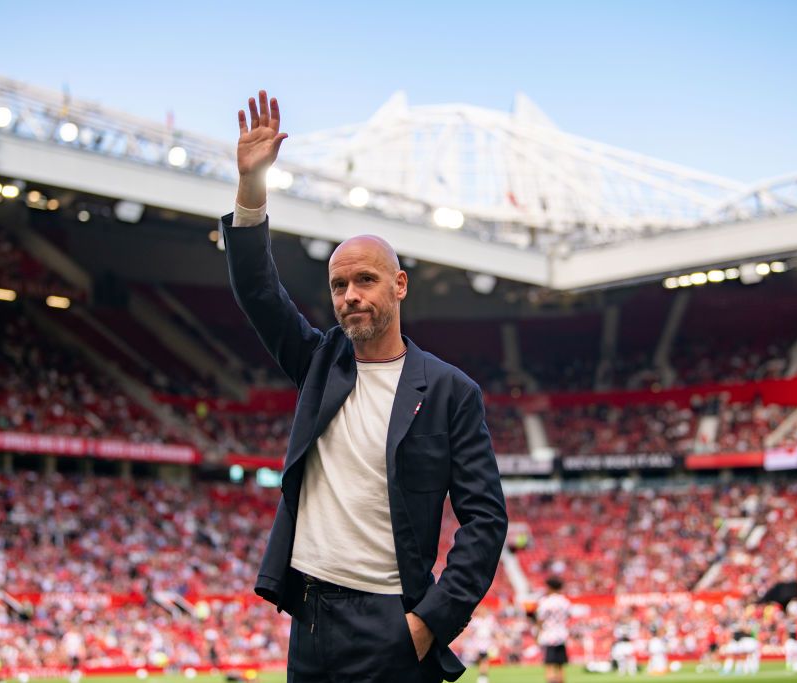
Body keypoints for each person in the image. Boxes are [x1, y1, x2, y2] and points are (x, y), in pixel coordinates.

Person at [223, 90, 508, 683]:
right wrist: (252, 188)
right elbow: (257, 291)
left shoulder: (452, 392)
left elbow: (485, 521)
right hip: (311, 616)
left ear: (399, 285)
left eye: (365, 280)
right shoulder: (319, 361)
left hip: (392, 618)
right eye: (338, 285)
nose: (349, 295)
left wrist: (428, 623)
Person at [532, 577, 570, 683]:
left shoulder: (545, 601)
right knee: (560, 666)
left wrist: (537, 634)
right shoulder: (565, 601)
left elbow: (540, 620)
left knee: (549, 665)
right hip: (561, 635)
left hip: (549, 636)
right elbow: (567, 617)